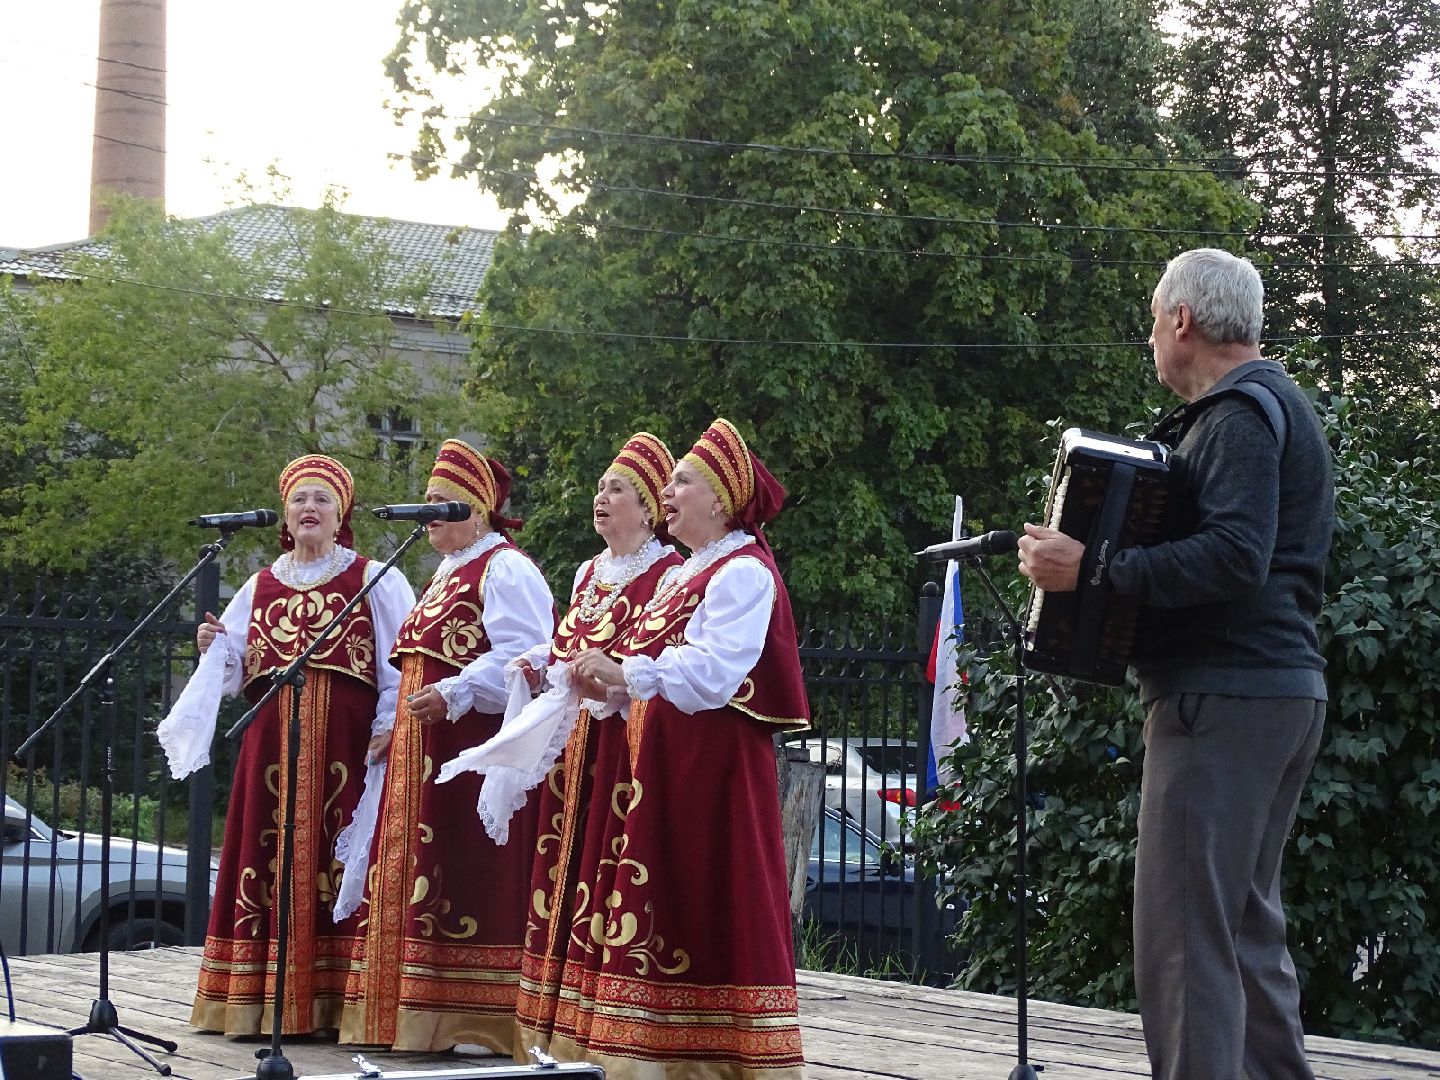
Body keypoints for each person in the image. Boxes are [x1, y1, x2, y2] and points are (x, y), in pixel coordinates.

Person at [1018, 248, 1334, 1080]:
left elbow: (1235, 556)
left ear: (1182, 321)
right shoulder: (1276, 406)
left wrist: (1091, 568)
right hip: (1273, 693)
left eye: (1155, 321)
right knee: (1242, 930)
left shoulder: (1235, 416)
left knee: (1187, 937)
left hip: (1220, 699)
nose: (1153, 337)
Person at [557, 418, 811, 1079]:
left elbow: (714, 673)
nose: (668, 491)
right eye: (668, 481)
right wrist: (606, 682)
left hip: (711, 769)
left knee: (702, 893)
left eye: (683, 481)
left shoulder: (743, 573)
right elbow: (649, 667)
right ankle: (648, 1052)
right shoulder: (691, 572)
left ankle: (712, 1056)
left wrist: (627, 673)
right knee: (661, 898)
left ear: (722, 499)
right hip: (663, 765)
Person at [160, 454, 416, 1037]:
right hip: (271, 749)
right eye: (300, 499)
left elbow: (399, 665)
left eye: (322, 499)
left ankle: (336, 1001)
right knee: (267, 855)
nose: (309, 509)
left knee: (338, 858)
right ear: (285, 512)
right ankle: (255, 1001)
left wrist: (387, 725)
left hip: (345, 751)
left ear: (341, 512)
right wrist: (215, 646)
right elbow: (230, 675)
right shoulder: (260, 583)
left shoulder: (375, 578)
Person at [336, 438, 554, 1054]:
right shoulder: (443, 573)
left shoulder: (505, 568)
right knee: (417, 873)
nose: (430, 512)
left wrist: (458, 691)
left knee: (463, 873)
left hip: (469, 750)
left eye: (444, 501)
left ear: (479, 509)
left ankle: (473, 1018)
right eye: (427, 500)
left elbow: (529, 656)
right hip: (422, 753)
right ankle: (412, 1013)